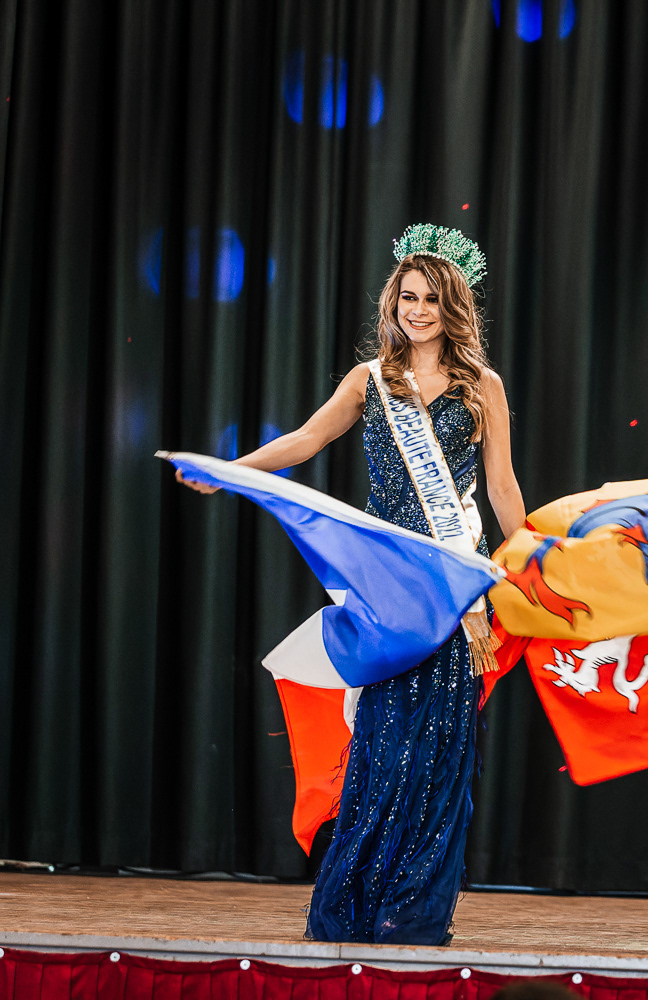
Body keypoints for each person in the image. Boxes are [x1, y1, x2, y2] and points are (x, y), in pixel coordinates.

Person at [176, 224, 525, 945]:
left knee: (439, 749)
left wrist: (528, 565)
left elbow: (501, 488)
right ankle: (360, 902)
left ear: (453, 307)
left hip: (453, 591)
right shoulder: (370, 381)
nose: (418, 310)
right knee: (383, 743)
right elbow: (306, 440)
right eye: (408, 297)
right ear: (392, 302)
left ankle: (412, 909)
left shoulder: (483, 387)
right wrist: (232, 472)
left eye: (431, 299)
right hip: (388, 588)